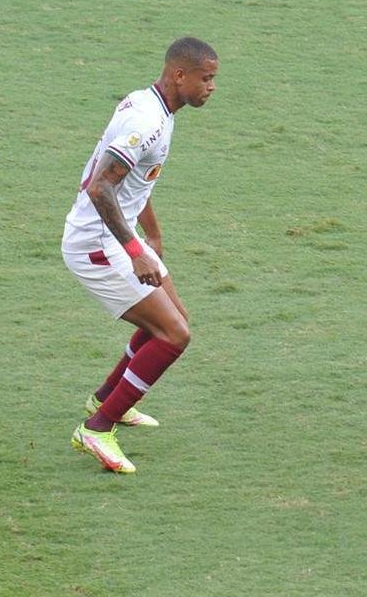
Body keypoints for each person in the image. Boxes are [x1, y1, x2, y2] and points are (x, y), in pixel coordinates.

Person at [61, 37, 219, 474]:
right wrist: (135, 251)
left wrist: (153, 235)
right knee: (173, 334)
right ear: (179, 75)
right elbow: (100, 188)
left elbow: (131, 182)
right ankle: (97, 427)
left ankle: (106, 399)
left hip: (120, 236)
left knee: (174, 321)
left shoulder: (151, 106)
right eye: (206, 79)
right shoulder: (148, 121)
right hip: (96, 244)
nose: (212, 87)